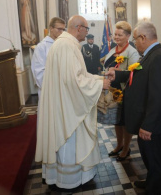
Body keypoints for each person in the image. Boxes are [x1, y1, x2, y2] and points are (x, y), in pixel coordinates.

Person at [35, 15, 111, 190]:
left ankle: (61, 176)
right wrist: (100, 83)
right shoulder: (67, 46)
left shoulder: (63, 44)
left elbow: (77, 76)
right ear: (79, 28)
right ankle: (69, 179)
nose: (87, 32)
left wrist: (98, 78)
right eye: (87, 29)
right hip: (68, 106)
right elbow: (74, 81)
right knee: (69, 141)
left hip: (64, 100)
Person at [107, 21, 161, 194]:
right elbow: (138, 75)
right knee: (148, 156)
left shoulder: (159, 57)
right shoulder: (150, 54)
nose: (134, 42)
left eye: (136, 38)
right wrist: (117, 74)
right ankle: (152, 180)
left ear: (143, 37)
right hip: (146, 118)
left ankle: (156, 189)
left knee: (156, 158)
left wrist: (148, 125)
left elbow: (159, 97)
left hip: (153, 123)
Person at [103, 21, 140, 161]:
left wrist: (117, 71)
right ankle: (119, 145)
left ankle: (126, 148)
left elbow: (134, 73)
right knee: (117, 121)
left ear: (128, 36)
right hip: (113, 91)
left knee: (125, 122)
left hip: (125, 91)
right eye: (115, 34)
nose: (116, 37)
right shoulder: (113, 50)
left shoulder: (132, 51)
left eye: (120, 35)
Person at [31, 17, 66, 98]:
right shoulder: (42, 47)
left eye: (63, 29)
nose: (62, 32)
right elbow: (38, 71)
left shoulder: (63, 44)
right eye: (59, 29)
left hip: (63, 88)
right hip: (50, 90)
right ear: (51, 28)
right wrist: (52, 86)